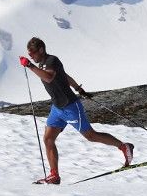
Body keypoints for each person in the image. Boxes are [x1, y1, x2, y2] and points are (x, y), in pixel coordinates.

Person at [20, 36, 133, 184]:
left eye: (32, 53)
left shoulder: (52, 61)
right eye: (29, 55)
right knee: (48, 139)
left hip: (70, 106)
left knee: (91, 136)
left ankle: (124, 146)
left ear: (41, 50)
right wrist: (79, 88)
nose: (31, 56)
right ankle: (54, 176)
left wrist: (29, 66)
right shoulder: (41, 64)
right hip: (57, 108)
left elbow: (49, 77)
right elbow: (65, 77)